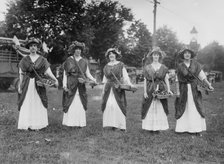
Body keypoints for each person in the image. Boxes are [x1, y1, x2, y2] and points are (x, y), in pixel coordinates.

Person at [18, 37, 59, 130]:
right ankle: (27, 124)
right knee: (27, 101)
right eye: (31, 46)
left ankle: (38, 124)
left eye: (35, 46)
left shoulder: (42, 59)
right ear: (29, 47)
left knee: (38, 101)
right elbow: (21, 73)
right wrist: (19, 86)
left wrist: (55, 79)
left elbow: (48, 72)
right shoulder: (24, 60)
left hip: (39, 83)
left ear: (37, 48)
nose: (33, 47)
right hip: (27, 84)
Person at [175, 48, 214, 135]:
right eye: (185, 53)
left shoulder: (196, 65)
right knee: (184, 106)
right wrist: (177, 91)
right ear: (183, 55)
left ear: (191, 55)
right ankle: (183, 128)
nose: (187, 55)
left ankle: (196, 128)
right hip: (183, 88)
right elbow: (177, 80)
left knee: (195, 106)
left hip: (194, 89)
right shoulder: (180, 66)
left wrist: (209, 85)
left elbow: (202, 76)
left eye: (189, 53)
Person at [62, 41, 96, 127]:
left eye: (80, 49)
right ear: (73, 50)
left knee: (80, 101)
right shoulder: (69, 60)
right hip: (71, 83)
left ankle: (80, 123)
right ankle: (70, 122)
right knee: (70, 101)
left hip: (81, 85)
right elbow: (65, 74)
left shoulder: (84, 61)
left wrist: (94, 80)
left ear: (81, 51)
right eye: (76, 49)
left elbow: (87, 74)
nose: (78, 51)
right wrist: (64, 85)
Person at [101, 48, 134, 131]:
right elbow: (104, 80)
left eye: (113, 54)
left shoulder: (120, 64)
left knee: (119, 105)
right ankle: (113, 125)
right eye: (109, 54)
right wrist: (103, 91)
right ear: (108, 56)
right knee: (109, 105)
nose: (111, 55)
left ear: (116, 55)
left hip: (118, 88)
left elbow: (125, 77)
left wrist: (130, 85)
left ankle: (121, 125)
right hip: (108, 89)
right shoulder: (106, 66)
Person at [141, 47, 172, 132]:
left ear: (159, 56)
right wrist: (144, 92)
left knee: (160, 105)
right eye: (154, 55)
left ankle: (159, 127)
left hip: (161, 88)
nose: (156, 56)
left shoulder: (163, 67)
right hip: (150, 88)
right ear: (152, 56)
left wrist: (168, 89)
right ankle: (150, 127)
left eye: (157, 55)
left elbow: (166, 79)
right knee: (150, 106)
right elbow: (145, 80)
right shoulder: (147, 67)